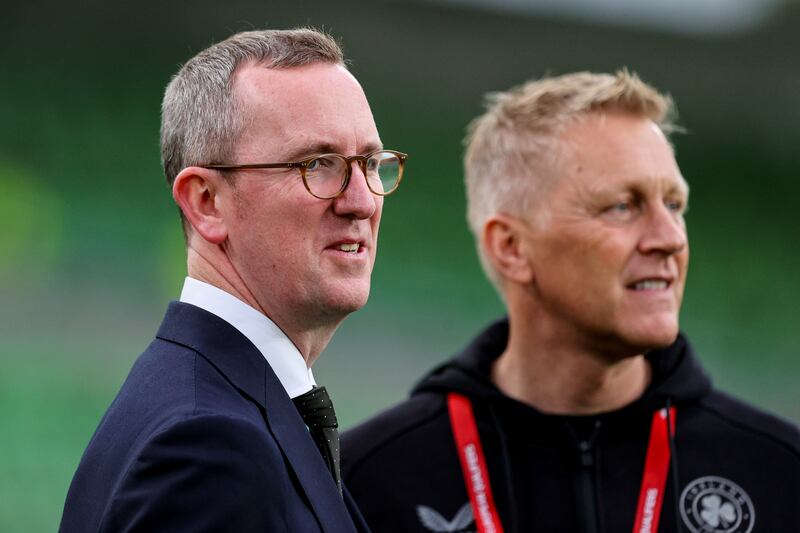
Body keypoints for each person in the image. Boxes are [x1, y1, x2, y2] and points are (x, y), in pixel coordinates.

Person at [342, 71, 799, 533]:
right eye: (623, 205)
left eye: (675, 205)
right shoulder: (361, 480)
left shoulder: (782, 472)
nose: (670, 238)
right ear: (512, 248)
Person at [59, 28, 406, 532]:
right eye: (318, 164)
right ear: (206, 202)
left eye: (370, 164)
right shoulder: (209, 443)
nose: (362, 201)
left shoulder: (212, 405)